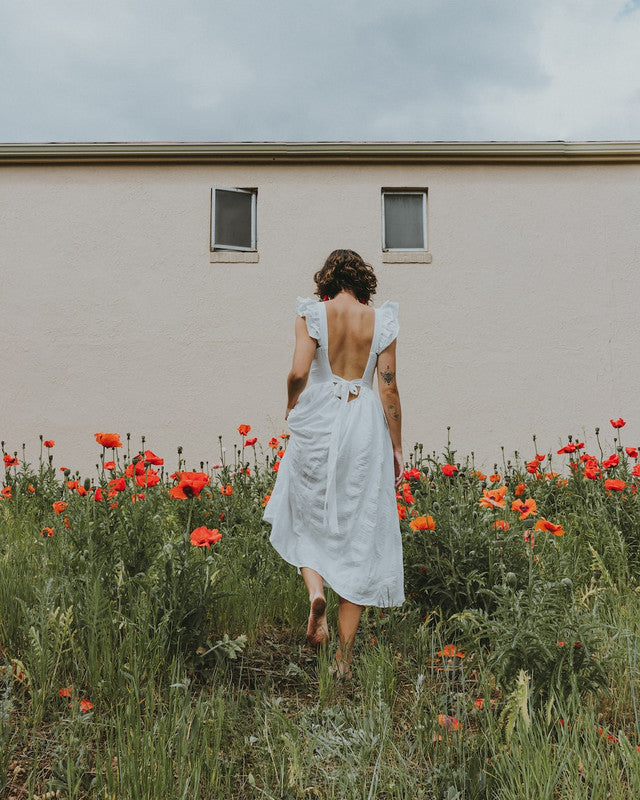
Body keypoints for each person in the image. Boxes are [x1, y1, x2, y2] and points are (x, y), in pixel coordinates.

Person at [263, 249, 405, 679]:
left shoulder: (313, 315)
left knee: (301, 510)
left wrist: (291, 405)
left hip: (320, 422)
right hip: (364, 428)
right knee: (360, 530)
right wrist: (397, 447)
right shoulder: (382, 322)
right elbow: (389, 390)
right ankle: (343, 661)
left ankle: (314, 595)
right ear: (363, 282)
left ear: (326, 281)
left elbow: (297, 373)